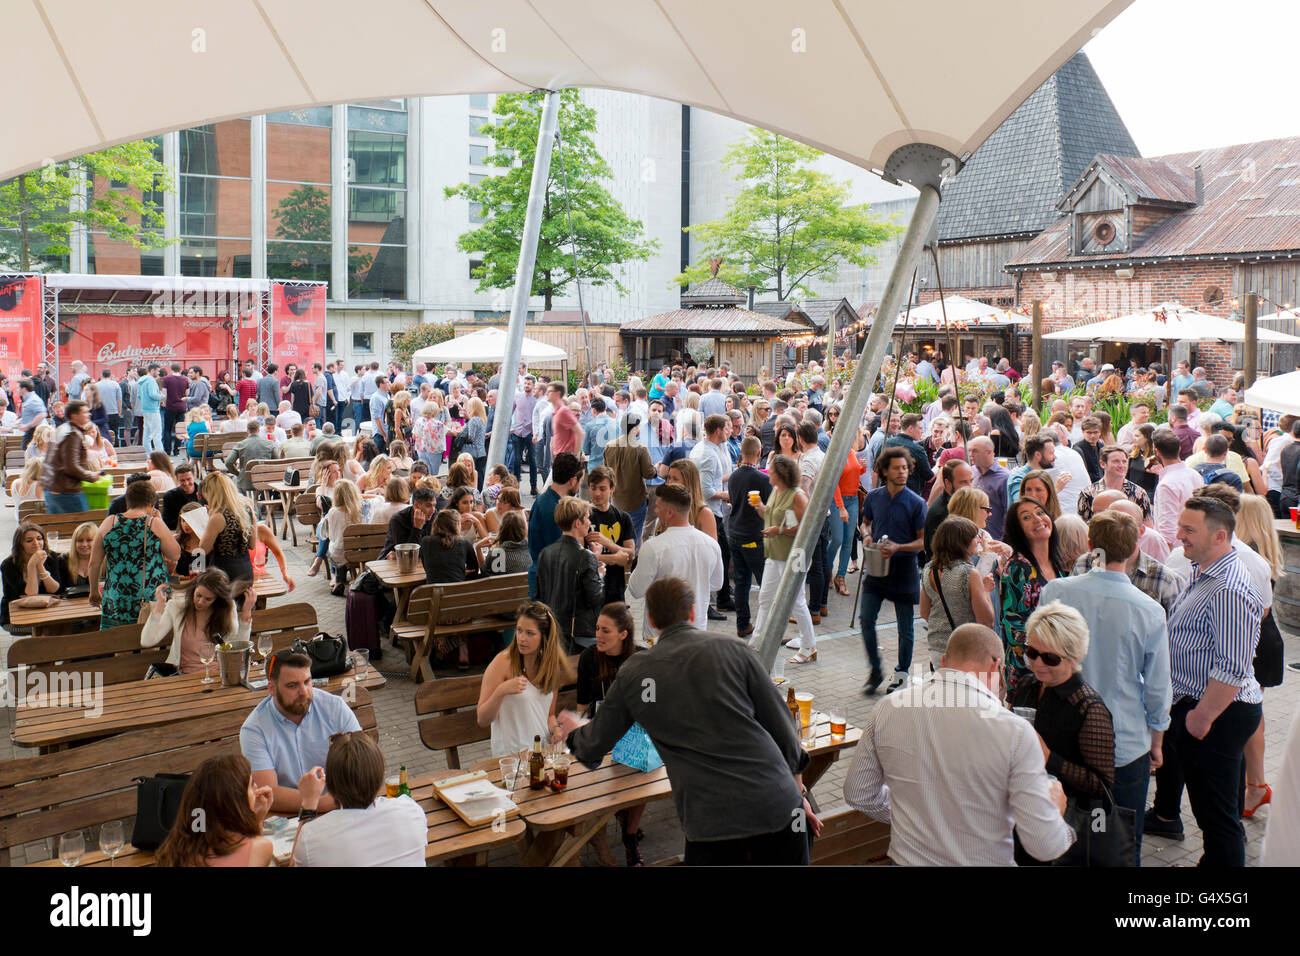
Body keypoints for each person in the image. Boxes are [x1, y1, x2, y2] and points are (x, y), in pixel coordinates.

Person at [557, 576, 820, 866]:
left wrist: (574, 732)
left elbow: (592, 748)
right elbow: (785, 731)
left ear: (651, 619)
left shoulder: (636, 672)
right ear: (693, 613)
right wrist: (798, 796)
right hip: (780, 809)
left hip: (713, 828)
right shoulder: (735, 649)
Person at [843, 622, 1074, 865]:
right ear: (997, 665)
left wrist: (915, 812)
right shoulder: (1015, 731)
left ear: (944, 660)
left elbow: (859, 793)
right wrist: (1055, 812)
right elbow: (1045, 846)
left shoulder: (888, 708)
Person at [1040, 510, 1169, 863]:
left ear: (1090, 545)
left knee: (1062, 838)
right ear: (1134, 548)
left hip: (1062, 741)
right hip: (1124, 746)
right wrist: (1157, 741)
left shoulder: (1056, 591)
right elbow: (1158, 689)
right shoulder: (1149, 610)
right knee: (1118, 845)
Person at [1153, 497, 1263, 866]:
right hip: (1206, 710)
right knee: (1214, 810)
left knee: (1217, 818)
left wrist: (1199, 720)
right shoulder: (1205, 568)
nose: (1178, 534)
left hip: (1217, 714)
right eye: (1180, 526)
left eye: (1188, 529)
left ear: (1219, 536)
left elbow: (1232, 667)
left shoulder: (1228, 588)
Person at [240, 650, 362, 812]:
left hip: (342, 807)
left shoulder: (335, 707)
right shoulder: (254, 729)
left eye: (307, 682)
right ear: (272, 689)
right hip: (292, 814)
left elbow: (362, 764)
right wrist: (328, 803)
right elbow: (268, 793)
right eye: (292, 685)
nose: (303, 692)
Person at [573, 602, 646, 865]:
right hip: (600, 734)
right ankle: (614, 827)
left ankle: (629, 835)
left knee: (644, 769)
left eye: (606, 630)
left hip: (634, 735)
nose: (598, 635)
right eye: (597, 629)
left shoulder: (640, 658)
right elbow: (582, 707)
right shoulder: (589, 658)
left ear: (623, 634)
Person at [859, 446, 926, 695]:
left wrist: (899, 547)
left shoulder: (916, 503)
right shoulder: (874, 496)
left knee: (905, 627)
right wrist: (866, 536)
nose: (902, 472)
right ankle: (876, 670)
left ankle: (901, 674)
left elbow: (923, 542)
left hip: (904, 568)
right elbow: (865, 523)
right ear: (885, 471)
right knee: (866, 618)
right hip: (877, 566)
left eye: (905, 468)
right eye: (897, 468)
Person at [627, 483, 722, 641]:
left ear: (669, 512)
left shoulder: (653, 547)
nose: (655, 511)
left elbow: (636, 590)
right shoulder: (711, 544)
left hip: (659, 635)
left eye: (657, 507)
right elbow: (716, 584)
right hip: (697, 630)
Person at [477, 601, 573, 756]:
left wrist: (556, 730)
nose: (521, 638)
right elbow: (482, 719)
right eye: (519, 630)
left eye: (530, 633)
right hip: (512, 759)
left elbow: (549, 715)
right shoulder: (502, 662)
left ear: (544, 636)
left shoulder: (550, 666)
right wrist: (501, 690)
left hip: (543, 755)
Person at [752, 455, 817, 663]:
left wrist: (778, 530)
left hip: (794, 555)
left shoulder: (796, 495)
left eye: (771, 471)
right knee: (765, 597)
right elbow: (771, 515)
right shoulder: (775, 491)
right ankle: (757, 641)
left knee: (797, 601)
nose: (768, 473)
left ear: (781, 475)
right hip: (774, 554)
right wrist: (760, 506)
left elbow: (803, 528)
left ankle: (809, 646)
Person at [1000, 497, 1068, 693]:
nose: (1038, 519)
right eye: (1027, 517)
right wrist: (1045, 652)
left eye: (1040, 512)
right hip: (1028, 670)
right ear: (1018, 529)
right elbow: (1012, 622)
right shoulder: (1016, 567)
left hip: (1057, 663)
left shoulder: (1057, 560)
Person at [155, 755, 274, 867]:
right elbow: (254, 850)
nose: (257, 787)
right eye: (251, 783)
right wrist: (255, 820)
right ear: (236, 800)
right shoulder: (261, 848)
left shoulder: (175, 848)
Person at [89, 481, 178, 630]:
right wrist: (160, 520)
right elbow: (175, 554)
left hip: (116, 596)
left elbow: (94, 563)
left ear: (127, 501)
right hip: (150, 595)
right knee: (151, 642)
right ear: (151, 503)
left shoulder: (109, 523)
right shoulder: (154, 523)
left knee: (119, 644)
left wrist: (93, 592)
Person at [140, 569, 255, 675]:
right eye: (198, 595)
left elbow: (236, 649)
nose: (200, 602)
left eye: (207, 599)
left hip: (218, 674)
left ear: (217, 600)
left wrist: (246, 615)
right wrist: (158, 608)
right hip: (184, 675)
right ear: (193, 589)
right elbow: (147, 641)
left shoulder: (226, 611)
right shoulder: (177, 606)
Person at [919, 516, 996, 669]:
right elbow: (987, 621)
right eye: (975, 537)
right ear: (962, 542)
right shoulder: (968, 573)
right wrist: (986, 590)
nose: (979, 540)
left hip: (936, 649)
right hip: (965, 649)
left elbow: (924, 612)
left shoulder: (929, 569)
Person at [725, 436, 771, 638]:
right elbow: (770, 509)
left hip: (734, 533)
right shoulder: (762, 479)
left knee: (742, 582)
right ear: (759, 453)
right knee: (766, 583)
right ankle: (767, 629)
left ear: (741, 452)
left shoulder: (734, 476)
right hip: (753, 536)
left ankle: (743, 624)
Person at [526, 451, 582, 595]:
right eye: (580, 483)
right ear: (573, 480)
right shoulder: (554, 511)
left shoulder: (543, 500)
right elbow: (560, 555)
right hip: (550, 584)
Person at [602, 412, 655, 546]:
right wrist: (656, 469)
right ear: (634, 428)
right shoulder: (641, 449)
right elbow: (649, 473)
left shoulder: (609, 446)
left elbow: (605, 471)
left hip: (616, 499)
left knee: (618, 533)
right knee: (634, 536)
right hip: (635, 500)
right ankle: (631, 562)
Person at [585, 466, 634, 605]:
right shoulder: (583, 517)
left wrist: (607, 542)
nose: (597, 493)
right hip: (590, 591)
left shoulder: (623, 518)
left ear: (612, 489)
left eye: (602, 488)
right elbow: (580, 559)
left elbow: (630, 557)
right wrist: (615, 558)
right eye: (593, 488)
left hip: (616, 591)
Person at [40, 400, 100, 513]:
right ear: (74, 415)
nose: (89, 414)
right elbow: (71, 466)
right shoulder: (73, 434)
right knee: (82, 526)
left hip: (52, 487)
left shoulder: (62, 429)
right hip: (66, 490)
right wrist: (92, 476)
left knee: (60, 527)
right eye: (85, 412)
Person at [0, 522, 63, 629]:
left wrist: (40, 566)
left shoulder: (51, 557)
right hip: (16, 616)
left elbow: (55, 590)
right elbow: (30, 594)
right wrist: (31, 565)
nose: (36, 543)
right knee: (48, 630)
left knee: (62, 626)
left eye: (39, 538)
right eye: (29, 540)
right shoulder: (8, 565)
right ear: (19, 544)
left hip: (47, 609)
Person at [198, 472, 257, 584]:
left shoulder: (217, 517)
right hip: (246, 571)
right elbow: (252, 545)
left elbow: (202, 550)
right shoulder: (247, 509)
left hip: (223, 574)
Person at [1152, 430, 1203, 548]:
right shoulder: (1194, 474)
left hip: (1178, 550)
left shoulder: (1167, 485)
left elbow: (1168, 530)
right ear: (1179, 449)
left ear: (1157, 452)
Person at [317, 478, 365, 594]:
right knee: (343, 548)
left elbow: (330, 536)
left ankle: (339, 582)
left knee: (335, 548)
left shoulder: (333, 512)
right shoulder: (358, 511)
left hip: (338, 554)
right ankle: (352, 578)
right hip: (356, 553)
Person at [421, 508, 478, 586]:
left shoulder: (425, 542)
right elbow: (474, 571)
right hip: (458, 593)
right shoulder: (464, 543)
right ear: (457, 524)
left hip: (434, 594)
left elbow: (428, 569)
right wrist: (459, 573)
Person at [967, 436, 1008, 541]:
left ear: (989, 452)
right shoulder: (971, 472)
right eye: (969, 451)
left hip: (994, 540)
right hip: (971, 539)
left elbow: (1008, 513)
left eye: (975, 451)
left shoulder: (1004, 478)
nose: (971, 455)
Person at [379, 484, 437, 558]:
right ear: (416, 505)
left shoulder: (434, 516)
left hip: (421, 563)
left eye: (434, 505)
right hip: (390, 563)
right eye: (428, 506)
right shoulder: (398, 520)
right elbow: (407, 554)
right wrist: (417, 529)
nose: (433, 510)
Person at [224, 419, 280, 493]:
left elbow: (228, 462)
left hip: (245, 481)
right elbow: (277, 462)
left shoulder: (241, 444)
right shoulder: (269, 444)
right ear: (259, 430)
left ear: (247, 431)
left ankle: (244, 503)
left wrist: (238, 473)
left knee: (236, 481)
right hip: (264, 481)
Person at [482, 510, 531, 576]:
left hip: (502, 586)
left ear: (502, 529)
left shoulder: (497, 553)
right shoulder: (531, 548)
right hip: (528, 585)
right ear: (523, 528)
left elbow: (484, 573)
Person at [60, 520, 98, 589]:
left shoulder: (105, 561)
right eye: (80, 541)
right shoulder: (63, 560)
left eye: (89, 540)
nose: (84, 544)